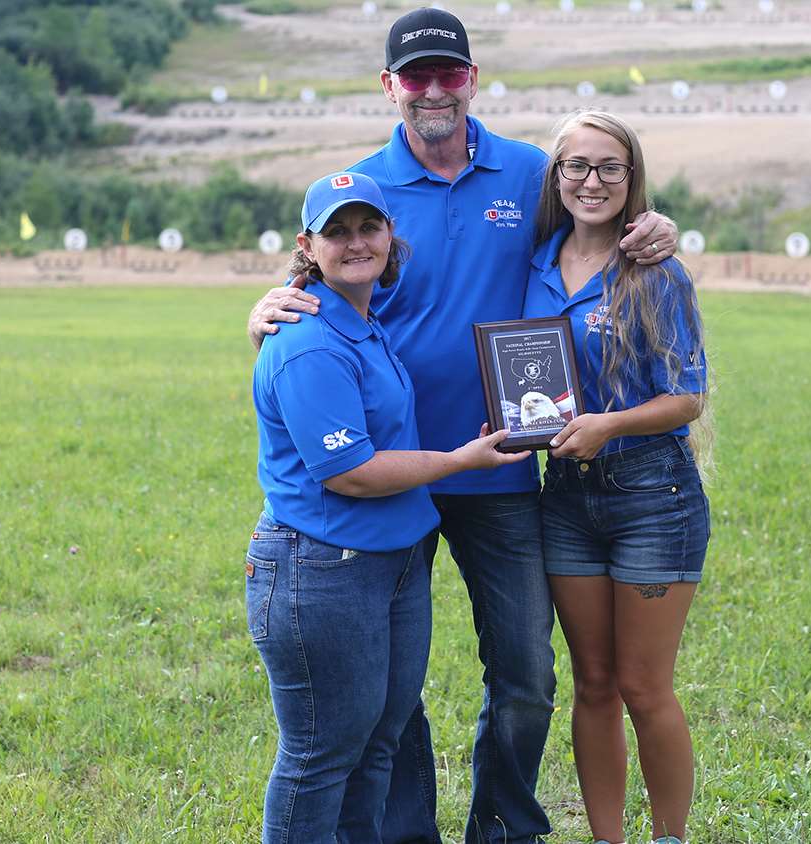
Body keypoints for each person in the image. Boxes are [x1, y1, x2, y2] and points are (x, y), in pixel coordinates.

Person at [246, 9, 679, 842]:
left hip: (504, 467)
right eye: (417, 77)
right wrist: (263, 306)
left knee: (525, 673)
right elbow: (322, 287)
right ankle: (407, 834)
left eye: (450, 74)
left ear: (473, 80)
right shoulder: (364, 189)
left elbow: (602, 208)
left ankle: (504, 827)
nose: (434, 90)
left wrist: (654, 227)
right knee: (392, 693)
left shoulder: (529, 173)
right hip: (392, 477)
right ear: (390, 88)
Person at [247, 170, 530, 843]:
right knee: (322, 757)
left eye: (367, 226)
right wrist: (461, 460)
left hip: (391, 561)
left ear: (389, 233)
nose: (355, 242)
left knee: (378, 744)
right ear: (306, 245)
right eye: (336, 231)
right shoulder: (307, 338)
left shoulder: (364, 321)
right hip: (323, 568)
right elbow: (351, 472)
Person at [521, 111, 714, 844]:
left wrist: (608, 424)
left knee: (643, 687)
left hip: (652, 496)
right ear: (557, 177)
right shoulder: (532, 263)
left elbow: (688, 396)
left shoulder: (656, 270)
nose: (592, 181)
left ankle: (668, 838)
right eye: (577, 166)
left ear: (632, 179)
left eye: (610, 167)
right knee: (593, 685)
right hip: (565, 498)